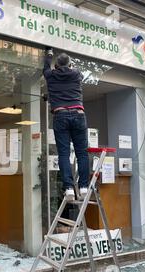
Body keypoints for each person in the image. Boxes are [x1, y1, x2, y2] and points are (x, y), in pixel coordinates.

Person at [43, 47, 89, 201]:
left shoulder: (50, 76)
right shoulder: (76, 74)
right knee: (81, 153)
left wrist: (49, 53)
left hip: (60, 115)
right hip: (78, 114)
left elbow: (45, 67)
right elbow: (76, 70)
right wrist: (69, 65)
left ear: (56, 66)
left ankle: (69, 188)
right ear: (70, 65)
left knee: (64, 153)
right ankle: (83, 187)